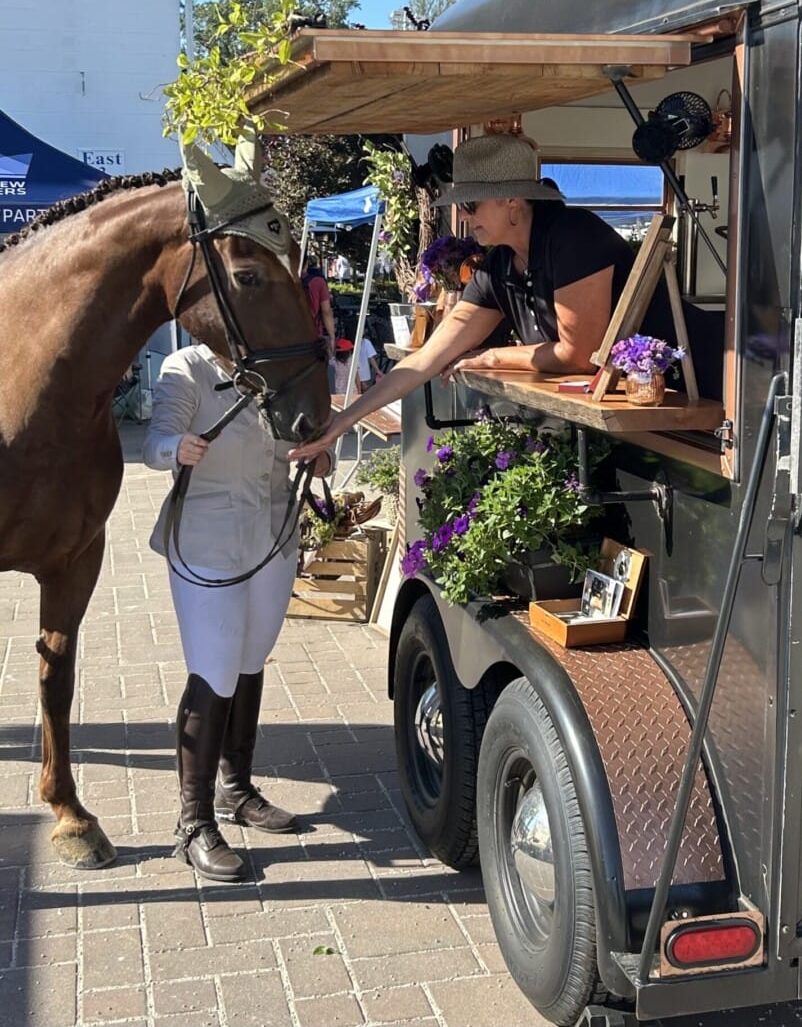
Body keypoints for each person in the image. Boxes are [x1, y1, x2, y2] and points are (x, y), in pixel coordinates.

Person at [289, 131, 656, 467]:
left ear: (512, 200)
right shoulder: (499, 264)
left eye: (472, 203)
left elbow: (579, 355)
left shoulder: (574, 237)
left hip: (676, 400)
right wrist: (341, 422)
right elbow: (428, 357)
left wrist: (492, 356)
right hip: (628, 420)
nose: (464, 215)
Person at [143, 343, 332, 883]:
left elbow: (310, 441)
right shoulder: (188, 369)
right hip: (207, 540)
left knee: (251, 660)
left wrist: (321, 457)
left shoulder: (280, 372)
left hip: (274, 536)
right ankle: (193, 823)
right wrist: (174, 448)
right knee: (215, 668)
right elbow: (154, 441)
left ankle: (236, 789)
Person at [302, 257, 336, 360]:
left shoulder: (285, 281)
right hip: (313, 335)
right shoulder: (318, 282)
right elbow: (326, 312)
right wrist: (332, 337)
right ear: (306, 263)